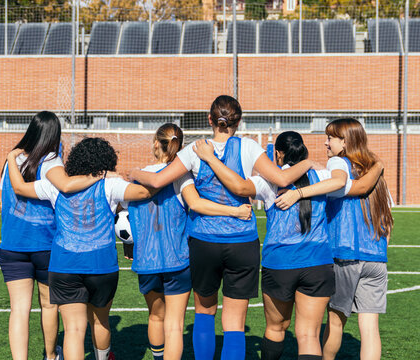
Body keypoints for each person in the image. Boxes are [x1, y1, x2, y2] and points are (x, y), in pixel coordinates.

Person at [128, 95, 315, 359]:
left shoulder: (195, 149)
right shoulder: (249, 147)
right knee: (235, 323)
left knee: (204, 314)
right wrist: (308, 162)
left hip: (204, 242)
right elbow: (283, 177)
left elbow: (158, 181)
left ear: (210, 119)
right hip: (242, 242)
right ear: (239, 121)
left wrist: (134, 172)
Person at [193, 131, 383, 360]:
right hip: (317, 264)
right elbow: (361, 187)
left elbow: (239, 188)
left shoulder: (267, 181)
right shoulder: (323, 176)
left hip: (280, 263)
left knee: (275, 328)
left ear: (278, 154)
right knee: (309, 335)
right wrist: (378, 166)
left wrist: (210, 159)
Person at [7, 137, 161, 360]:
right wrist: (146, 173)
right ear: (106, 161)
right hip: (101, 265)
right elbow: (145, 193)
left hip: (64, 265)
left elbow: (19, 188)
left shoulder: (56, 185)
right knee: (101, 321)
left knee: (73, 330)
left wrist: (12, 157)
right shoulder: (109, 183)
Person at [126, 123, 252, 360]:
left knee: (155, 317)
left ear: (155, 143)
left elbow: (124, 220)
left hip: (147, 260)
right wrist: (234, 211)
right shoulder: (182, 177)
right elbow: (197, 204)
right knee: (175, 323)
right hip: (179, 260)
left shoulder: (138, 176)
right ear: (179, 146)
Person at [275, 118, 392, 360]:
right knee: (370, 329)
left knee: (335, 323)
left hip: (345, 255)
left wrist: (298, 193)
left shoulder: (338, 162)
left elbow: (341, 184)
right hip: (377, 258)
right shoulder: (375, 171)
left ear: (346, 141)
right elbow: (387, 219)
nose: (325, 143)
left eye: (330, 138)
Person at [0, 111, 90, 360]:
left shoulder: (11, 162)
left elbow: (4, 206)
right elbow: (66, 187)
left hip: (12, 244)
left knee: (19, 310)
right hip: (47, 245)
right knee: (49, 306)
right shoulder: (51, 161)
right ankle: (51, 356)